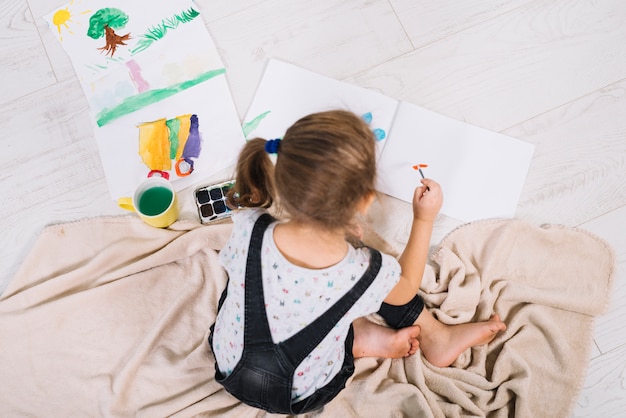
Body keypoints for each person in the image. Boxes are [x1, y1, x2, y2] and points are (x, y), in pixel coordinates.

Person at [208, 110, 506, 414]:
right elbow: (404, 288)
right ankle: (361, 341)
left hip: (230, 365)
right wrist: (424, 219)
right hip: (304, 392)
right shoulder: (363, 271)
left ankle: (362, 335)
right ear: (365, 199)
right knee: (375, 286)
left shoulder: (249, 224)